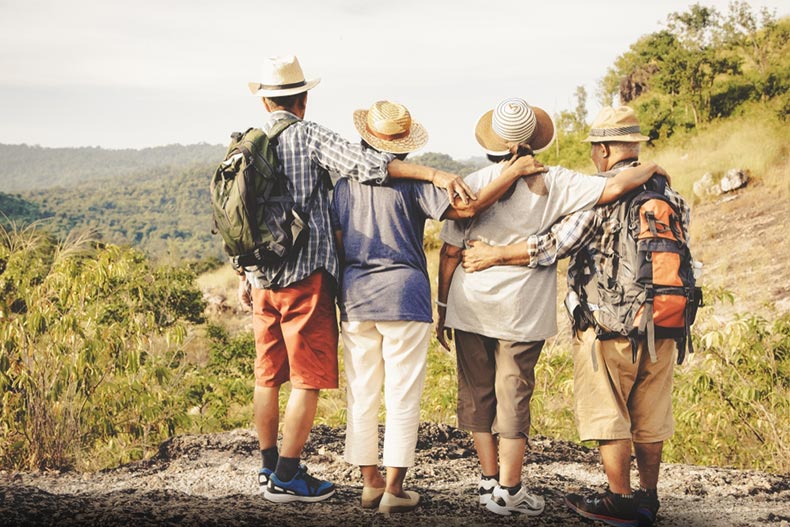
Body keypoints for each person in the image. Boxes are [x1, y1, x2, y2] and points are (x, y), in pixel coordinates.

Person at [239, 55, 477, 504]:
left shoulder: (250, 143)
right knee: (313, 379)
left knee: (269, 377)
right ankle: (292, 476)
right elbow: (371, 166)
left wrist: (245, 273)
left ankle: (270, 467)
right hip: (306, 278)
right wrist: (434, 173)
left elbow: (244, 216)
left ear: (266, 101)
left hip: (263, 279)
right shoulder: (308, 136)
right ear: (303, 98)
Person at [436, 98, 666, 517]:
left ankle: (488, 483)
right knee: (514, 393)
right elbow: (612, 188)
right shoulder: (559, 181)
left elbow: (450, 252)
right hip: (525, 312)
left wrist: (441, 304)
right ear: (534, 142)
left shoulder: (472, 182)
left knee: (476, 393)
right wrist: (649, 167)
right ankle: (509, 489)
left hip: (470, 306)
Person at [330, 100, 547, 513]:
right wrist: (512, 172)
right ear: (405, 148)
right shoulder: (413, 185)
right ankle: (395, 489)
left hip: (357, 298)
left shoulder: (342, 186)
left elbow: (339, 243)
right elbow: (468, 208)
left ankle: (369, 482)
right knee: (402, 393)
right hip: (405, 296)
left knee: (362, 393)